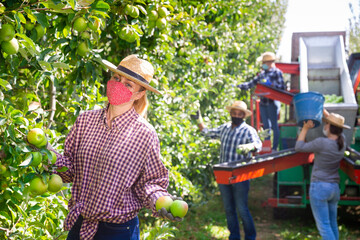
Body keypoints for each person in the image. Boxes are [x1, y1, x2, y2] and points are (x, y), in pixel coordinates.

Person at [33, 55, 181, 240]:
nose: (119, 85)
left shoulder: (144, 134)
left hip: (118, 231)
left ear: (139, 94)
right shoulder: (86, 121)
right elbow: (69, 170)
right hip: (81, 224)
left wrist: (162, 203)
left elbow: (150, 182)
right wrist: (44, 149)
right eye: (117, 78)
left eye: (129, 84)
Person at [195, 100, 262, 240]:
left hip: (240, 175)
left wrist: (250, 147)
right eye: (234, 113)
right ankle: (234, 236)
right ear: (231, 113)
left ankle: (250, 236)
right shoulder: (225, 128)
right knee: (229, 209)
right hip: (224, 175)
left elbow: (258, 144)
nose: (236, 115)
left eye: (239, 114)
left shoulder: (248, 130)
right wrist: (198, 120)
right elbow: (207, 133)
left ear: (243, 116)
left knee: (242, 208)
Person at [295, 112, 350, 240]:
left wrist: (305, 128)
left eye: (326, 124)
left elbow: (299, 147)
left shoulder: (321, 143)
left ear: (330, 127)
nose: (324, 126)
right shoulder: (342, 142)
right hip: (334, 188)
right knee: (332, 224)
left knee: (324, 226)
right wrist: (326, 114)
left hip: (320, 187)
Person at [237, 52, 285, 151]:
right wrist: (239, 86)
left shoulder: (277, 72)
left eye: (265, 62)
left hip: (273, 102)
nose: (263, 64)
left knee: (274, 125)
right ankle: (267, 147)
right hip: (263, 103)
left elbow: (282, 87)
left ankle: (275, 148)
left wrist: (271, 85)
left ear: (270, 62)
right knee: (266, 127)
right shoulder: (262, 74)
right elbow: (251, 84)